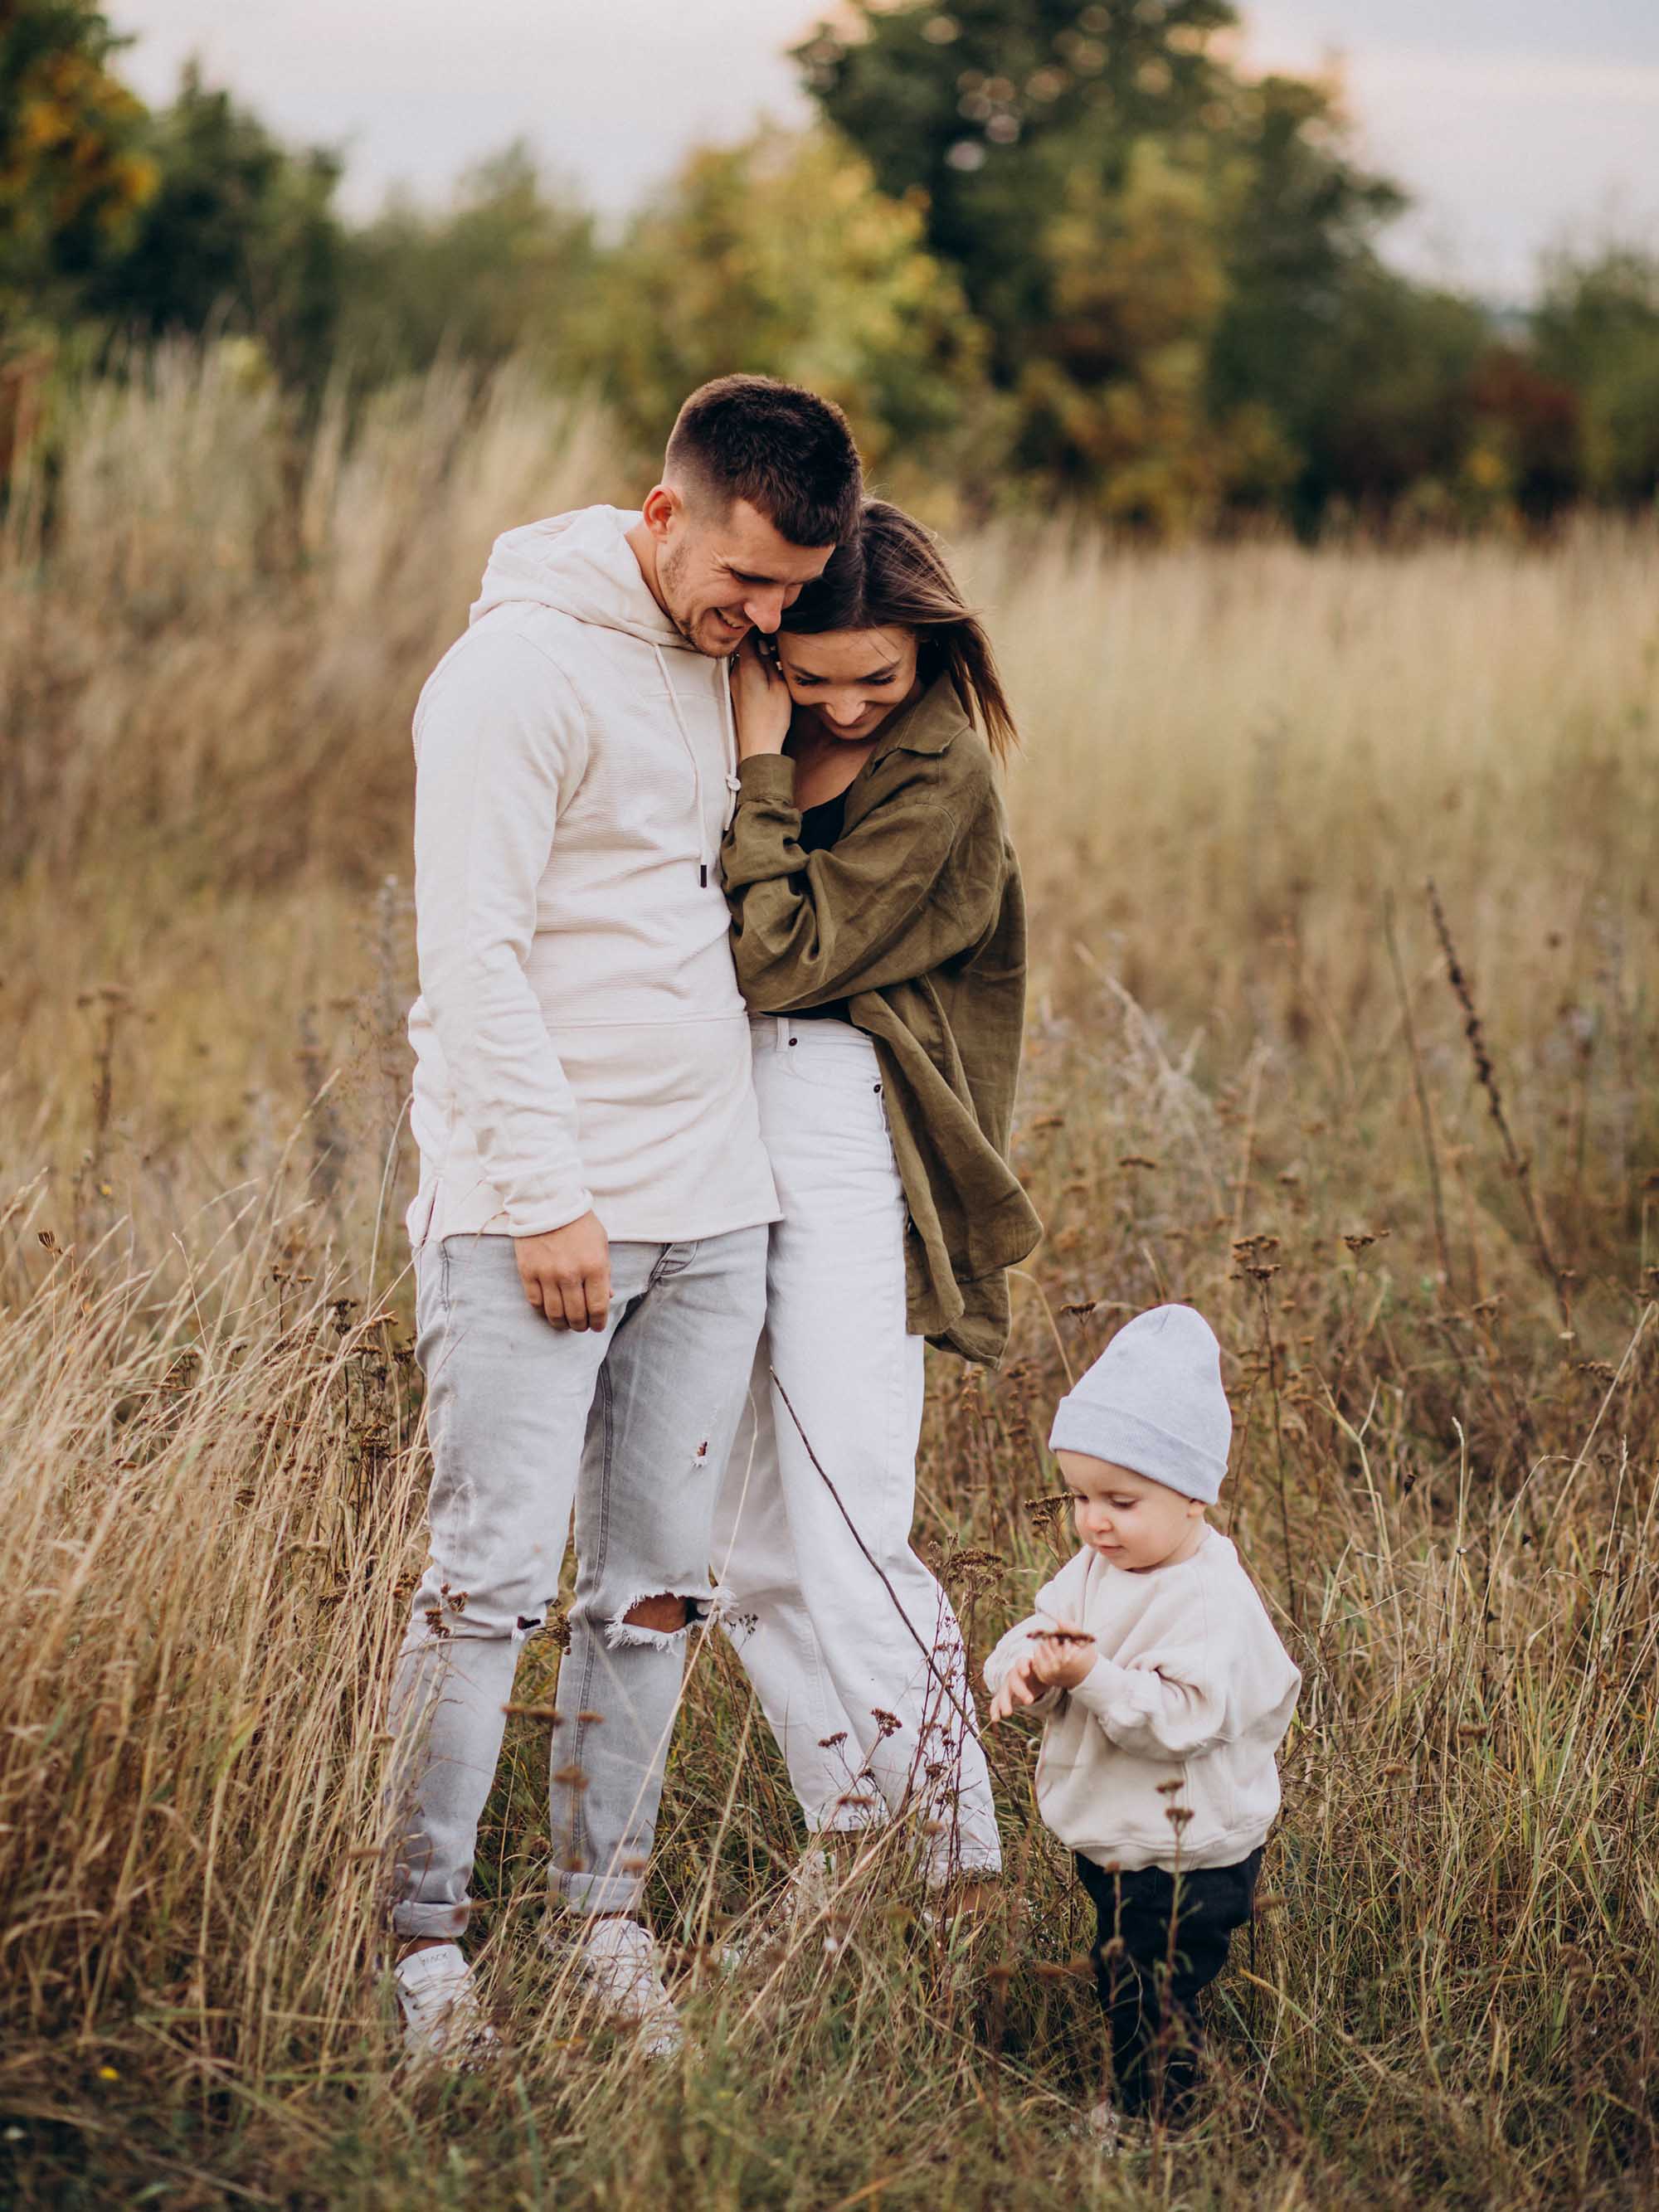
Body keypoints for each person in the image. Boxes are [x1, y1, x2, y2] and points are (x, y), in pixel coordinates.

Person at [387, 376, 864, 2063]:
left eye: (793, 590)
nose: (768, 617)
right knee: (488, 1588)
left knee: (658, 1591)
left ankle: (605, 1920)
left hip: (713, 1207)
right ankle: (421, 1947)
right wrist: (545, 1196)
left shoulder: (729, 666)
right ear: (664, 515)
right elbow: (472, 957)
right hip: (542, 1211)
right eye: (746, 578)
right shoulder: (513, 671)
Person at [713, 499, 1043, 1912]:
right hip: (720, 1116)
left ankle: (958, 1861)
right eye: (813, 676)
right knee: (739, 1540)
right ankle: (853, 1835)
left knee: (849, 1512)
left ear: (931, 649)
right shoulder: (739, 711)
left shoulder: (939, 768)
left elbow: (783, 958)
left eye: (878, 677)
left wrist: (760, 764)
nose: (846, 704)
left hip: (848, 1117)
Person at [984, 1305, 1301, 2142]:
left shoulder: (1207, 1599)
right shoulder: (1099, 1563)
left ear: (1194, 1496)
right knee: (1125, 1966)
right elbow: (1045, 1626)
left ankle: (1153, 2121)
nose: (1094, 1521)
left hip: (1187, 1848)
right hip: (1120, 1834)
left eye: (1120, 1501)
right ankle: (1155, 2085)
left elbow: (1182, 1720)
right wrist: (1025, 1667)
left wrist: (1088, 1675)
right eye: (1080, 1496)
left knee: (1149, 1989)